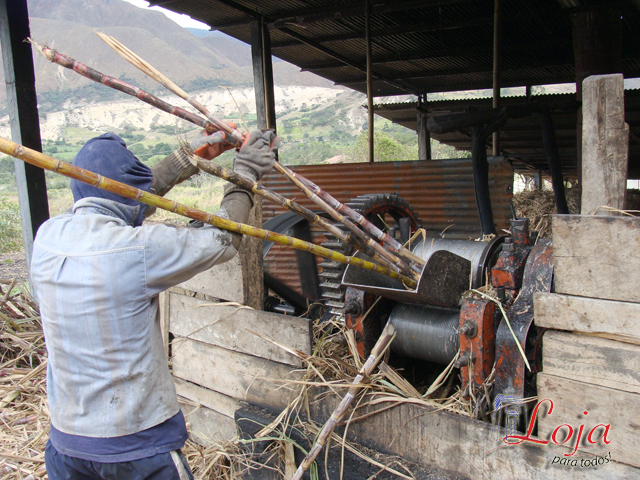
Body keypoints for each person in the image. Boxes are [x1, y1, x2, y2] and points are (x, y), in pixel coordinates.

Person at [30, 127, 277, 480]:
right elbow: (223, 237)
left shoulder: (48, 237)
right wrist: (246, 174)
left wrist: (188, 158)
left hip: (66, 444)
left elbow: (122, 202)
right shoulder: (139, 250)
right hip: (136, 446)